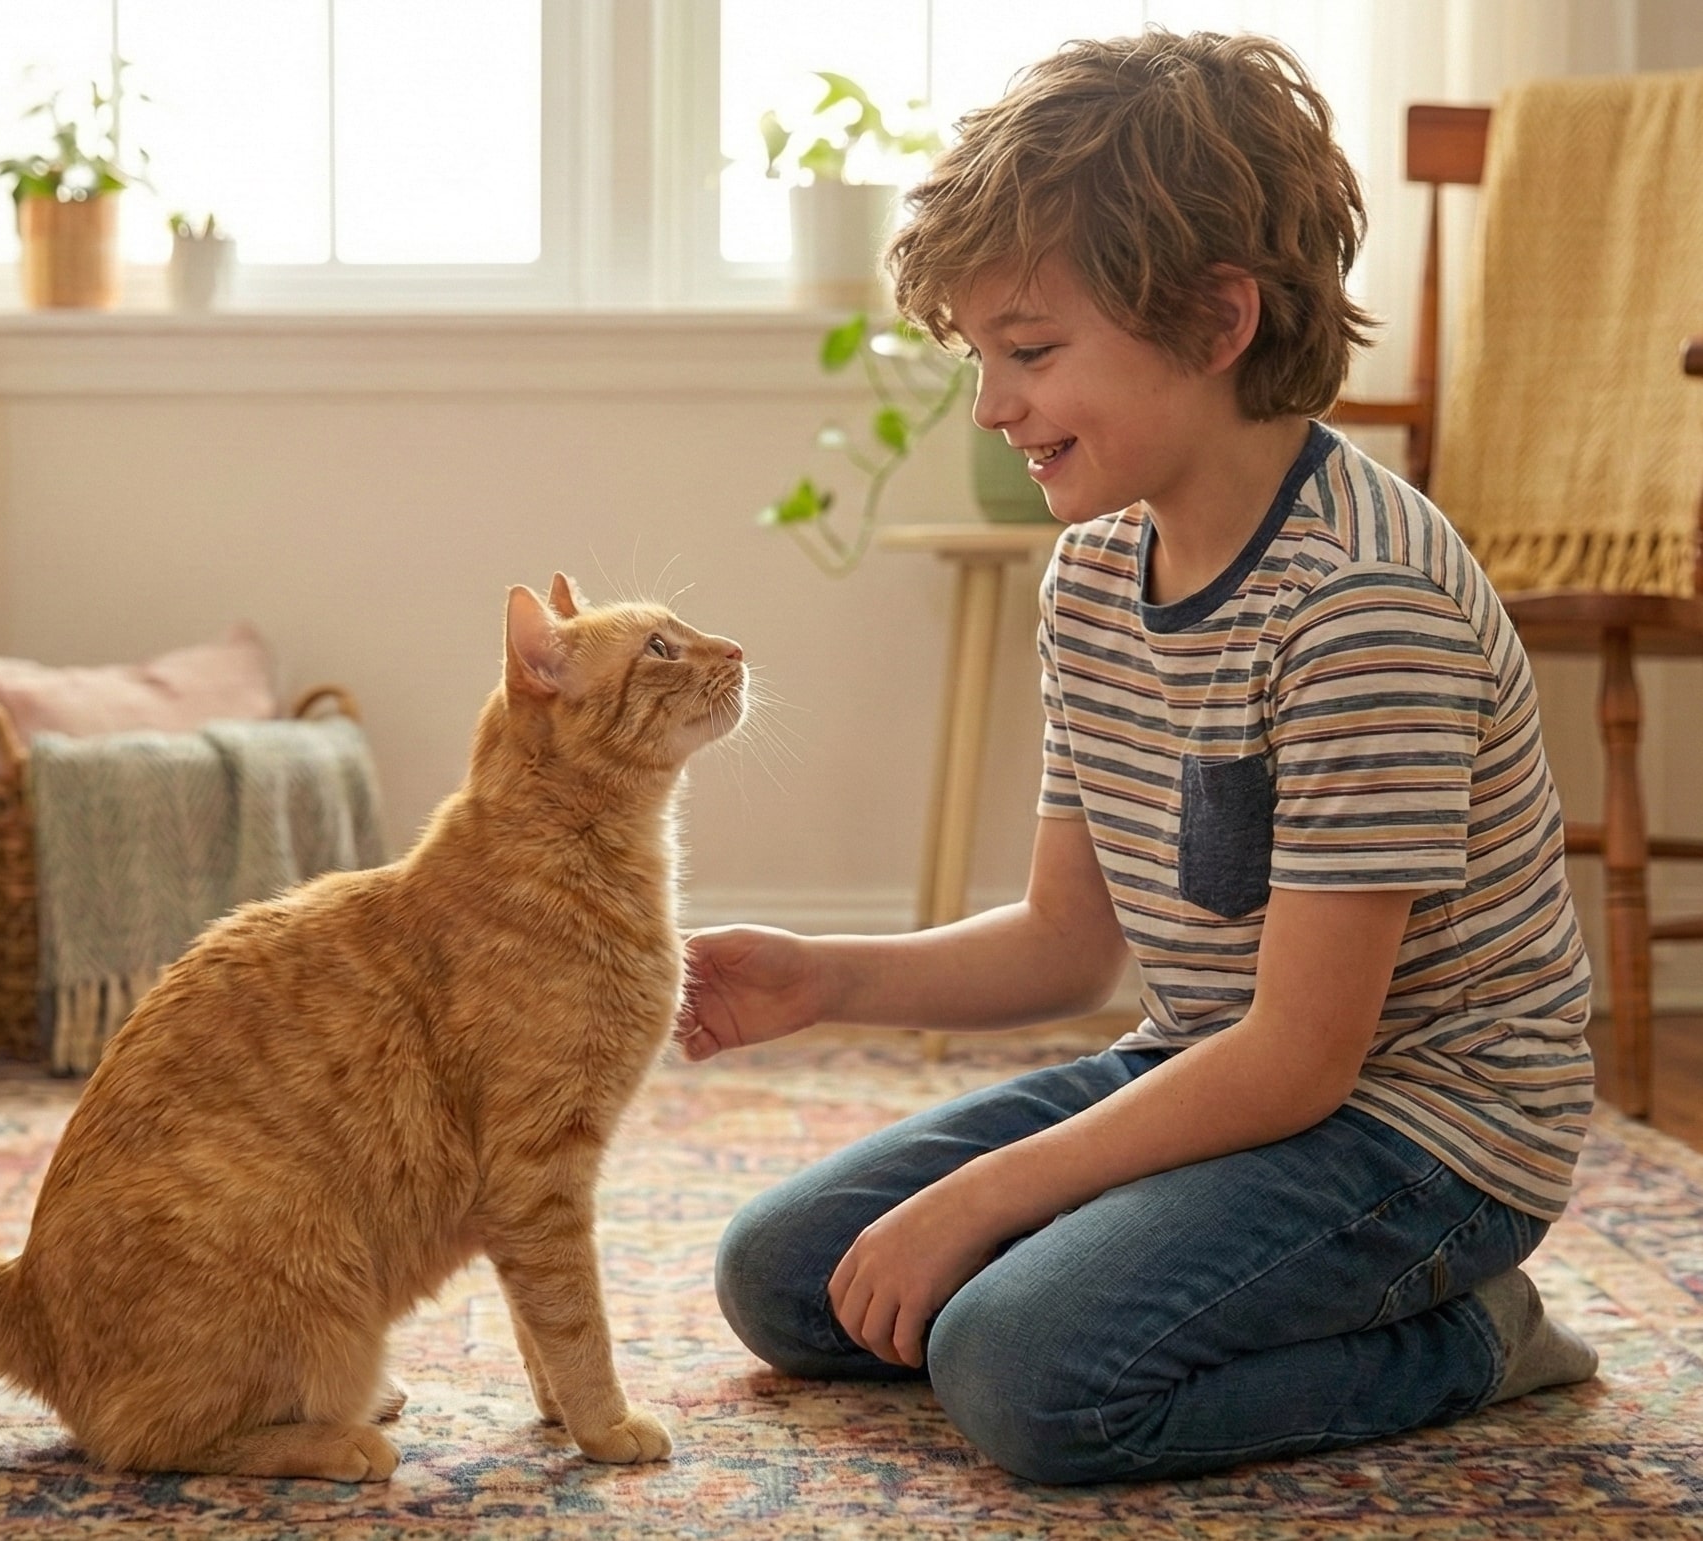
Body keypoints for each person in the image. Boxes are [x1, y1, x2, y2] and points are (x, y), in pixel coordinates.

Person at [683, 29, 1600, 1485]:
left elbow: (1305, 1056)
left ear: (1216, 319)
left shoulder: (1364, 602)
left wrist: (985, 1196)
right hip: (1216, 1070)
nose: (990, 405)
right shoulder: (1096, 575)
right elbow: (1068, 944)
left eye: (1031, 352)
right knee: (789, 1277)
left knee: (1021, 1370)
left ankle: (1471, 1331)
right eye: (981, 356)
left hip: (1422, 1135)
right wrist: (826, 976)